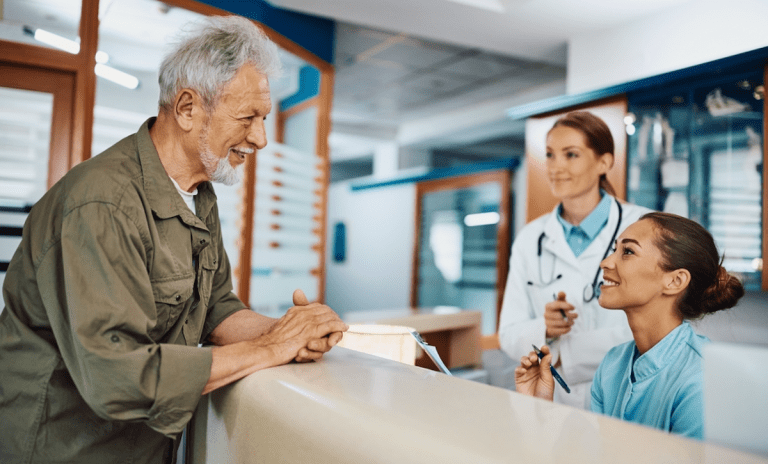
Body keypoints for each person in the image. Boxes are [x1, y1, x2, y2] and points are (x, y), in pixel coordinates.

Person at [0, 15, 347, 464]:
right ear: (187, 108)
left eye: (264, 118)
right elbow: (117, 376)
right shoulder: (103, 205)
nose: (260, 138)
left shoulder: (199, 193)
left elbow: (216, 306)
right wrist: (268, 348)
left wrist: (289, 332)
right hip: (62, 448)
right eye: (247, 118)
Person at [515, 212, 745, 440]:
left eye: (627, 251)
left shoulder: (701, 379)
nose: (605, 263)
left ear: (675, 281)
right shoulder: (613, 365)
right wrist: (539, 409)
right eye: (614, 250)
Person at [498, 111, 651, 409]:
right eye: (551, 155)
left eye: (571, 155)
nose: (556, 167)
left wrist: (566, 354)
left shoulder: (644, 227)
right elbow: (508, 333)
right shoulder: (531, 238)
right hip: (551, 401)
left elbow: (656, 327)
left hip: (624, 398)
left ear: (604, 162)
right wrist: (544, 327)